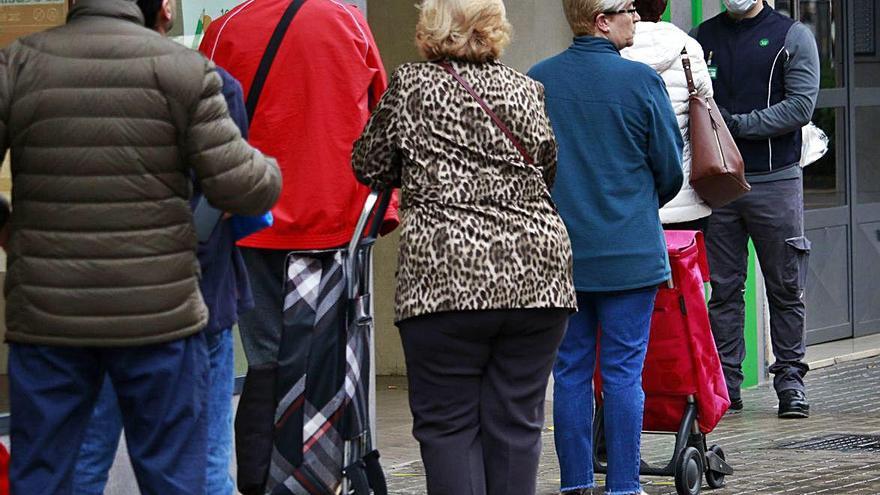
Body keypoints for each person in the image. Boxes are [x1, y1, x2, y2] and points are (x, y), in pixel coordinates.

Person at [0, 0, 282, 493]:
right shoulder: (184, 72)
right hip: (161, 319)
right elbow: (244, 188)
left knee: (44, 475)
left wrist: (8, 225)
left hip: (48, 316)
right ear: (158, 7)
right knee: (174, 477)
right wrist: (270, 169)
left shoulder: (18, 63)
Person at [352, 0, 577, 493]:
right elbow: (547, 167)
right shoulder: (527, 89)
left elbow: (368, 164)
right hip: (535, 275)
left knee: (447, 424)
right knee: (518, 424)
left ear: (431, 24)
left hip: (444, 279)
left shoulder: (411, 86)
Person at [198, 1, 398, 491]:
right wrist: (381, 210)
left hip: (253, 223)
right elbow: (381, 116)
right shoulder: (347, 22)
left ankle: (261, 482)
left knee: (266, 361)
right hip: (337, 224)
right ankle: (325, 479)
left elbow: (202, 126)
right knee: (330, 363)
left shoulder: (226, 30)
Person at [70, 1, 258, 494]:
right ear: (166, 11)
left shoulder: (52, 81)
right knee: (201, 470)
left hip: (90, 310)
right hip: (194, 304)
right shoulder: (208, 83)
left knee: (83, 465)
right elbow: (233, 190)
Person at [528, 0, 684, 493]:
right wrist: (633, 205)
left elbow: (531, 169)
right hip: (629, 255)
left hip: (561, 256)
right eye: (628, 10)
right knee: (622, 373)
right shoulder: (639, 82)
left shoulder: (539, 79)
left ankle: (575, 484)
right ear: (601, 20)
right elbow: (670, 170)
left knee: (570, 371)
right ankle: (623, 485)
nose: (636, 18)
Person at [695, 0, 820, 418]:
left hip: (775, 180)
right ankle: (728, 385)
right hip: (719, 185)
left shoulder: (792, 36)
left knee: (785, 287)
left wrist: (739, 125)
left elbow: (801, 106)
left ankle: (790, 384)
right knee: (724, 290)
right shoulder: (703, 38)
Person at [621, 0, 713, 231]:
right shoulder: (688, 47)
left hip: (632, 200)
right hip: (687, 198)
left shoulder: (615, 51)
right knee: (688, 266)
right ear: (662, 7)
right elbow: (707, 102)